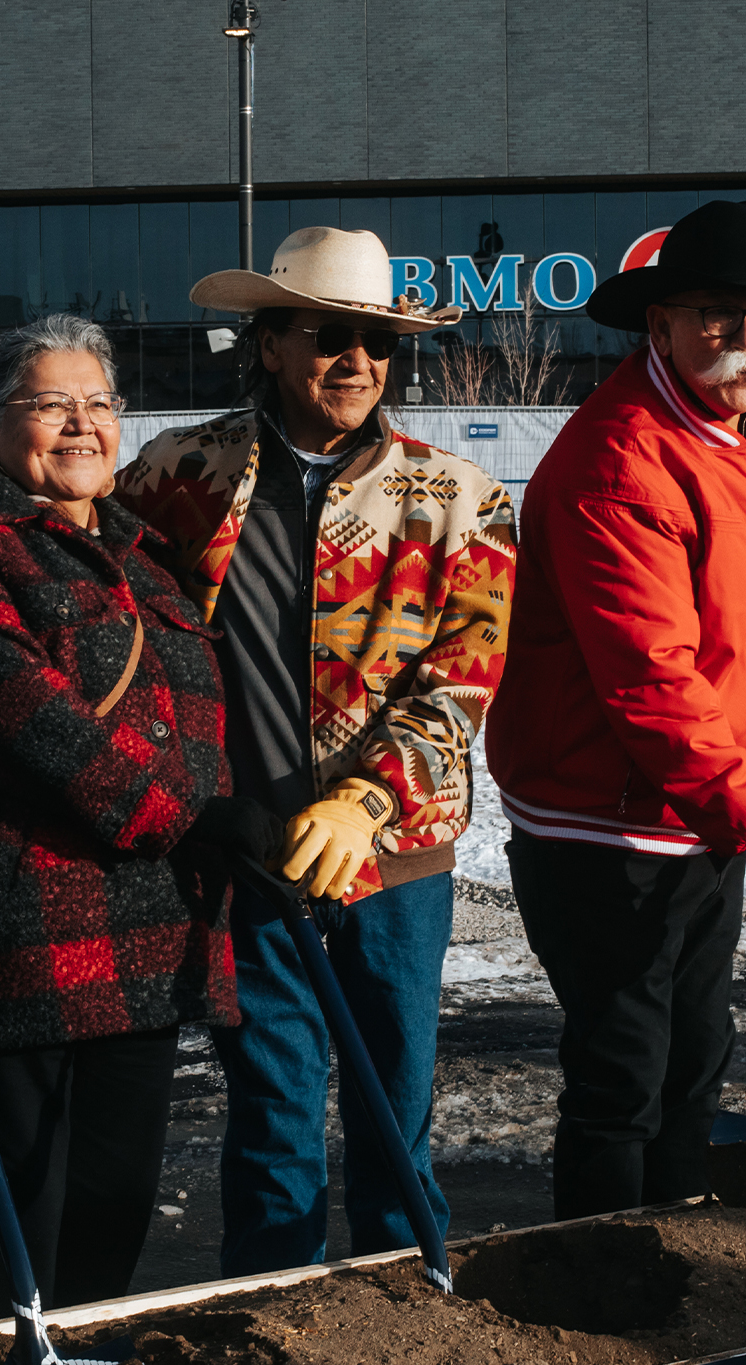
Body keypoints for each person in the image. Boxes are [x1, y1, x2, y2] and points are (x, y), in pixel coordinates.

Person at [118, 228, 516, 1276]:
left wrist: (369, 802)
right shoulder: (175, 475)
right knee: (272, 1118)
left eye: (377, 344)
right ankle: (273, 1312)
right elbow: (96, 607)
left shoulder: (459, 498)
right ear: (267, 344)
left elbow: (463, 678)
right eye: (328, 335)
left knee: (395, 1107)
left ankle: (405, 1307)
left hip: (396, 863)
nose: (356, 361)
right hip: (248, 856)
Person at [0, 314, 273, 1331]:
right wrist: (197, 816)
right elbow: (29, 716)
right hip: (12, 944)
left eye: (98, 403)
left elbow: (190, 712)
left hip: (143, 942)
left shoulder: (143, 560)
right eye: (50, 404)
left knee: (105, 1228)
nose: (80, 425)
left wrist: (211, 824)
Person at [484, 199, 746, 1222]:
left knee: (696, 1060)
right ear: (655, 323)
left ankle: (682, 1268)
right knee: (625, 1070)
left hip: (703, 811)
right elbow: (650, 684)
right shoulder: (614, 463)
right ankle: (601, 1277)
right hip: (601, 820)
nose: (743, 339)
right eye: (712, 313)